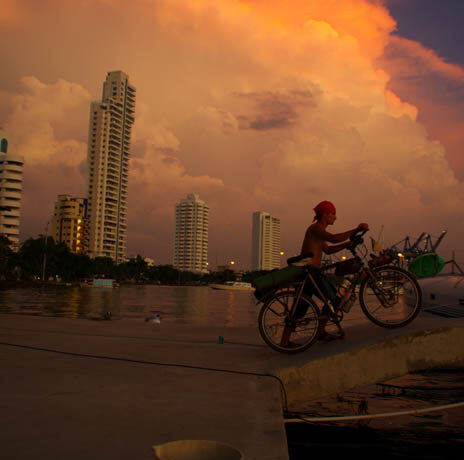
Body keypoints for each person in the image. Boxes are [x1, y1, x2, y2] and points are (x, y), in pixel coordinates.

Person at [295, 200, 369, 342]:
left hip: (311, 272)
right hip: (310, 272)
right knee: (333, 299)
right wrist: (356, 229)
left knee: (301, 308)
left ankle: (318, 332)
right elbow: (333, 239)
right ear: (325, 214)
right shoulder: (316, 228)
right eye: (333, 214)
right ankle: (319, 332)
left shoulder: (318, 232)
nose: (335, 217)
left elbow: (328, 250)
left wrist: (347, 244)